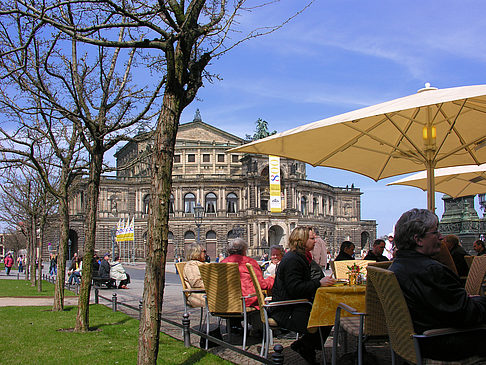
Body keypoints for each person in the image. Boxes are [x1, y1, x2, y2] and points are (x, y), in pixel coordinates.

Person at [389, 208, 486, 361]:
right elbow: (466, 315)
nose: (441, 237)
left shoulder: (398, 265)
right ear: (418, 239)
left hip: (416, 340)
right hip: (442, 341)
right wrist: (478, 300)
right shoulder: (431, 270)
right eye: (435, 232)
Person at [270, 226, 335, 364]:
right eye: (312, 238)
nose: (315, 241)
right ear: (302, 241)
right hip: (287, 310)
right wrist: (319, 283)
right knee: (327, 314)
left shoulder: (297, 257)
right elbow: (295, 288)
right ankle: (306, 345)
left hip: (294, 306)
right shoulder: (293, 260)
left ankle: (307, 346)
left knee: (327, 311)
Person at [222, 238, 274, 309]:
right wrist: (272, 278)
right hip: (247, 302)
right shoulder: (249, 262)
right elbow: (262, 285)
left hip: (225, 302)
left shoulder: (222, 263)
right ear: (244, 251)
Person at [182, 243, 207, 307]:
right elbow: (196, 283)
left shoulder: (203, 264)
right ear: (197, 252)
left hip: (207, 294)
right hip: (199, 296)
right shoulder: (191, 265)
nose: (206, 254)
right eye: (204, 251)